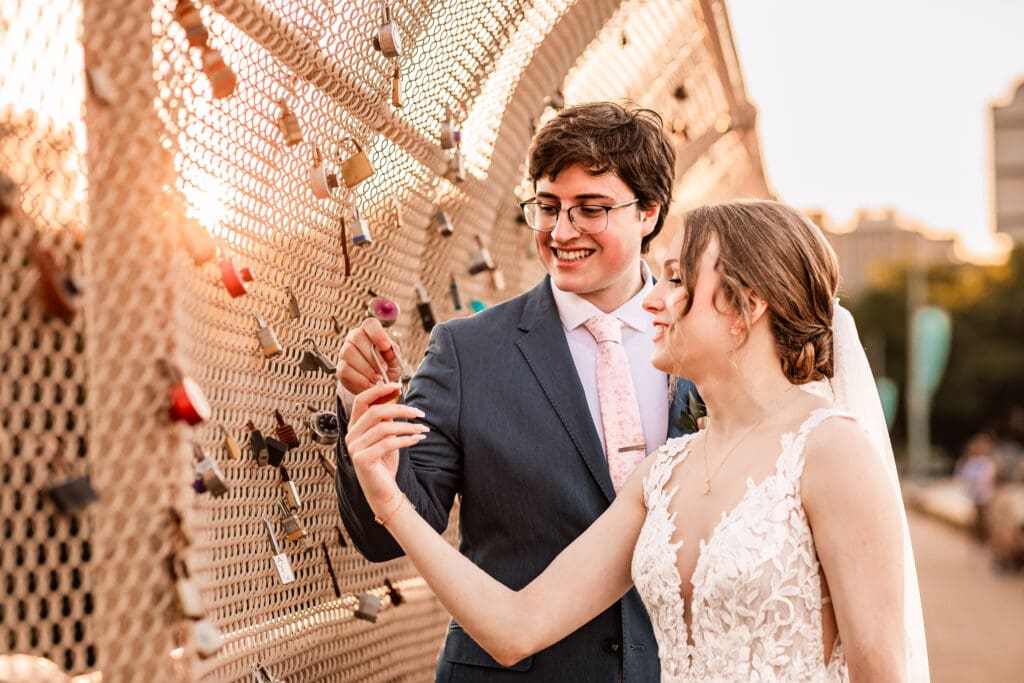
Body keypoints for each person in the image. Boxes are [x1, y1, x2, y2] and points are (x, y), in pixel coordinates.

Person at [345, 200, 930, 682]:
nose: (652, 297)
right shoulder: (664, 474)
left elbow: (881, 670)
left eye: (679, 280)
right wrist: (392, 505)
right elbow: (514, 629)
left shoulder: (831, 453)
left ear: (746, 308)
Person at [333, 102, 698, 681]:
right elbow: (391, 535)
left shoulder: (707, 343)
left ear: (648, 212)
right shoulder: (465, 352)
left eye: (591, 209)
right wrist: (365, 414)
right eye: (547, 207)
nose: (561, 232)